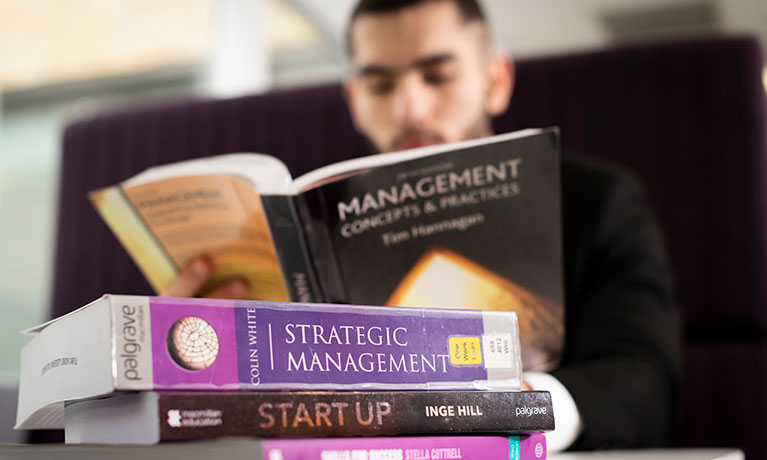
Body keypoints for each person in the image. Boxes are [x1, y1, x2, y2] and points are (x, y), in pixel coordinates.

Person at [164, 0, 681, 451]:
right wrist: (192, 357)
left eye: (437, 76)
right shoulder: (313, 227)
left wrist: (524, 410)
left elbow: (644, 378)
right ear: (354, 100)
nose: (409, 108)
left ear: (495, 81)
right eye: (379, 83)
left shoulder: (601, 201)